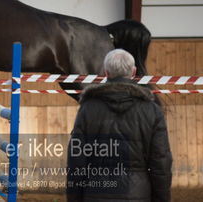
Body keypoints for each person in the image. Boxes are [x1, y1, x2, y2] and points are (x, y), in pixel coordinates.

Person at [66, 49, 172, 202]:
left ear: (106, 73)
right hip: (137, 195)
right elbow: (161, 163)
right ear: (134, 72)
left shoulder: (87, 109)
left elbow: (76, 163)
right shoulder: (152, 110)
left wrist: (74, 198)